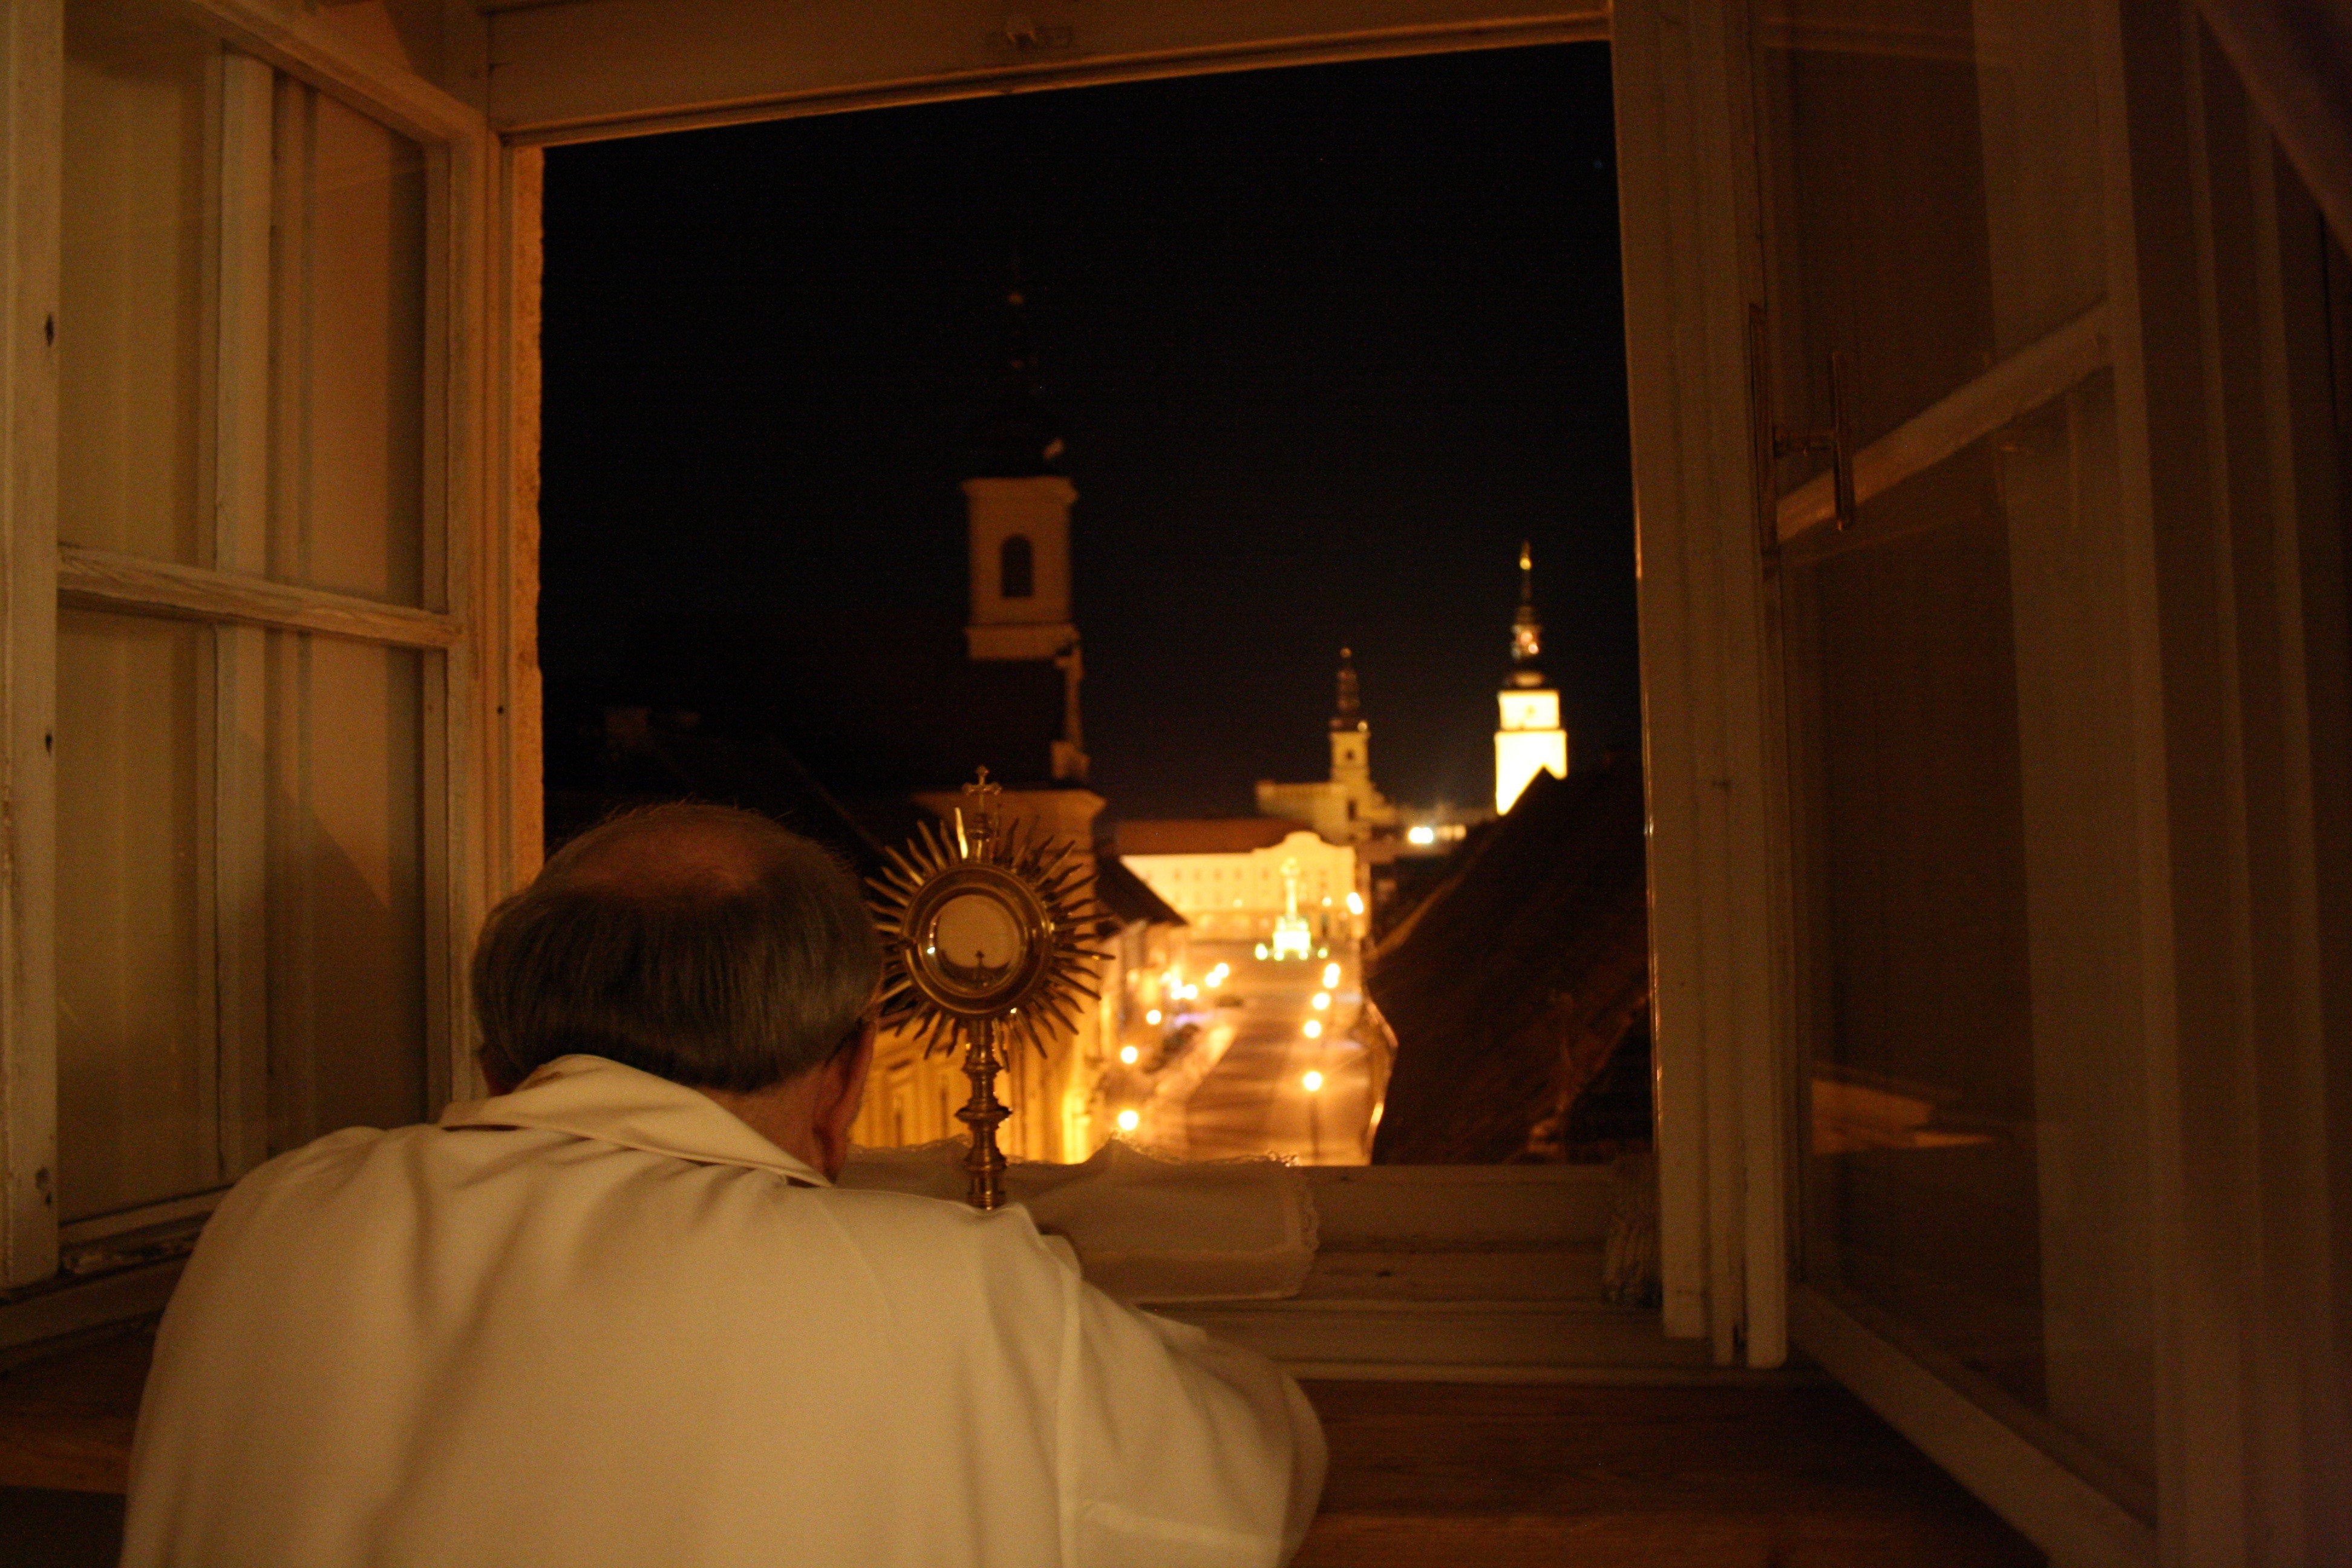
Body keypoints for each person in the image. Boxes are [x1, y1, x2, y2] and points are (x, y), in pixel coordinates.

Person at [121, 803, 1325, 1567]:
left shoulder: (275, 1217)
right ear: (847, 1083)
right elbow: (1256, 1479)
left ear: (500, 1065)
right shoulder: (959, 1299)